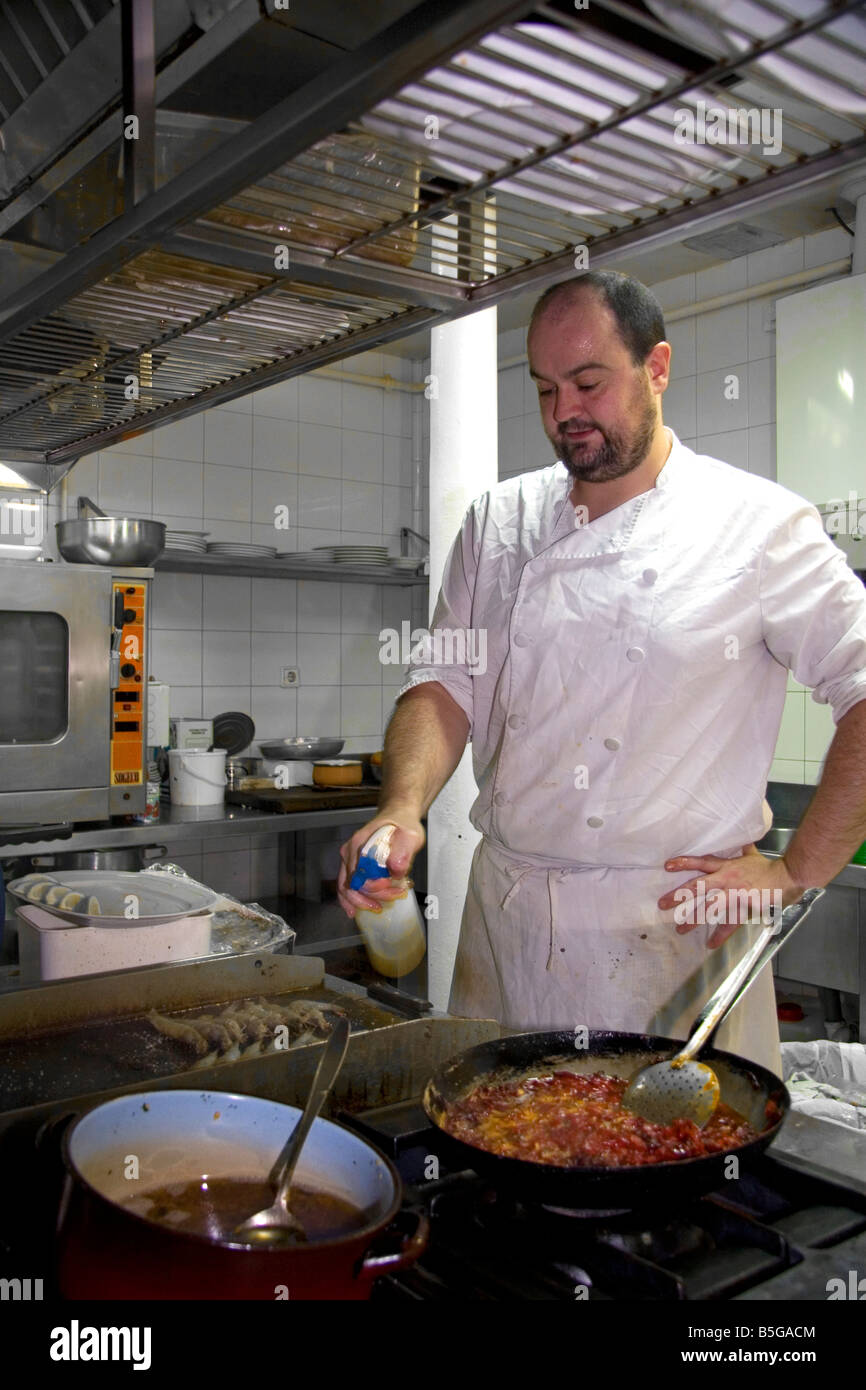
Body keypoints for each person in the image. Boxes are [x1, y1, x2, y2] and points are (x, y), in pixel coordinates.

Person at [337, 270, 866, 1073]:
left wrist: (796, 871)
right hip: (508, 929)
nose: (563, 415)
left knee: (677, 1177)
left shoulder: (756, 527)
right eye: (546, 389)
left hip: (670, 943)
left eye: (589, 383)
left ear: (657, 368)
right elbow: (445, 685)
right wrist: (403, 806)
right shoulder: (498, 522)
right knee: (496, 1162)